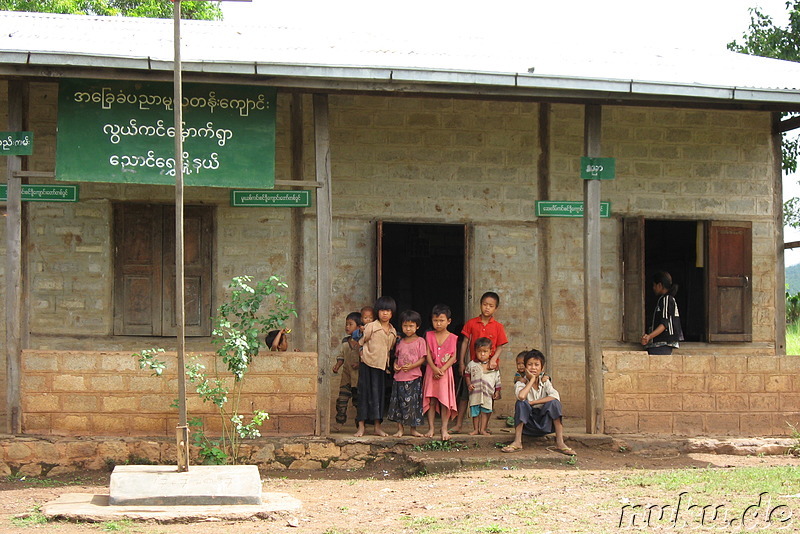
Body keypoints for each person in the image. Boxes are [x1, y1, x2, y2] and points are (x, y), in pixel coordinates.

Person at [452, 291, 508, 433]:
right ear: (480, 305)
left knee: (489, 397)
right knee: (465, 395)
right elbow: (465, 342)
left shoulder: (498, 326)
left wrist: (494, 359)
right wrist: (462, 362)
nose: (487, 308)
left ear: (496, 308)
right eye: (484, 305)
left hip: (490, 368)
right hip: (473, 367)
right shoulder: (471, 323)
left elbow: (500, 346)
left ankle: (484, 426)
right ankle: (458, 425)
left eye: (491, 306)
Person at [501, 350, 574, 455]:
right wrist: (531, 380)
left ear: (542, 368)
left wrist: (533, 402)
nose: (533, 368)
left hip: (544, 423)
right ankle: (517, 442)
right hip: (528, 424)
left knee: (554, 403)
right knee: (521, 403)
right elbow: (521, 396)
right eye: (530, 365)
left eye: (536, 365)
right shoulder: (520, 382)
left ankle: (560, 442)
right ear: (525, 367)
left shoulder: (545, 381)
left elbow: (555, 396)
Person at [355, 296, 397, 437]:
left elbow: (390, 349)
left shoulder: (393, 331)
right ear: (377, 312)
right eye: (382, 310)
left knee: (378, 396)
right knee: (364, 394)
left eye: (388, 311)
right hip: (367, 364)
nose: (385, 313)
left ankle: (377, 427)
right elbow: (361, 342)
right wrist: (361, 355)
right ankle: (361, 427)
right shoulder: (371, 327)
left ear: (392, 313)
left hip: (381, 367)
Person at [387, 309, 426, 437]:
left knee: (413, 404)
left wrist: (412, 366)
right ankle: (400, 429)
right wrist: (395, 365)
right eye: (405, 326)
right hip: (399, 378)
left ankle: (413, 429)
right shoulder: (400, 342)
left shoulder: (420, 341)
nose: (408, 329)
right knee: (399, 403)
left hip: (414, 377)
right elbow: (396, 357)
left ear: (417, 326)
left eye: (411, 326)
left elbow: (423, 358)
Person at [423, 304, 459, 440]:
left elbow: (454, 357)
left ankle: (444, 428)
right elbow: (426, 354)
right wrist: (433, 368)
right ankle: (431, 428)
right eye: (435, 320)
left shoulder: (453, 337)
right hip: (431, 371)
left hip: (445, 373)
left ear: (449, 321)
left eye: (441, 320)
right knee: (431, 400)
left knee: (445, 401)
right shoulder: (429, 335)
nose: (438, 323)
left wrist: (442, 369)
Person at [465, 337, 501, 436]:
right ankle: (476, 429)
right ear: (475, 352)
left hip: (487, 393)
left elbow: (497, 379)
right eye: (479, 351)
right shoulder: (472, 364)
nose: (482, 354)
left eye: (485, 351)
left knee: (485, 411)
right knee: (475, 412)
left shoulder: (493, 366)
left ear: (490, 352)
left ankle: (483, 429)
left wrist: (497, 391)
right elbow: (467, 374)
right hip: (475, 393)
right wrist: (469, 384)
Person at [332, 311, 363, 426]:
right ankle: (340, 422)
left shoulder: (362, 341)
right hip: (346, 376)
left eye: (350, 324)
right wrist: (337, 366)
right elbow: (341, 356)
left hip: (359, 378)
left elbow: (367, 356)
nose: (347, 327)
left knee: (358, 402)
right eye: (346, 324)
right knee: (342, 401)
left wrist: (359, 364)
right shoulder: (345, 341)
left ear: (359, 327)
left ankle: (360, 424)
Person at [641, 271, 683, 355]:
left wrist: (650, 336)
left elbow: (664, 324)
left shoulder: (666, 299)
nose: (653, 288)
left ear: (659, 285)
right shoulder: (664, 299)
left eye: (654, 285)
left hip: (664, 342)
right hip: (662, 343)